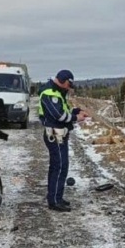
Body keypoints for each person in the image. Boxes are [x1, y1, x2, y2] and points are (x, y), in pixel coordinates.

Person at [38, 69, 88, 212]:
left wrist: (75, 112)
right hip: (55, 135)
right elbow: (58, 115)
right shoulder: (49, 93)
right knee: (58, 167)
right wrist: (75, 118)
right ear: (63, 81)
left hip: (61, 134)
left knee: (62, 166)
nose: (69, 88)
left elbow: (63, 111)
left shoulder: (58, 92)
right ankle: (53, 201)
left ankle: (57, 197)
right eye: (68, 85)